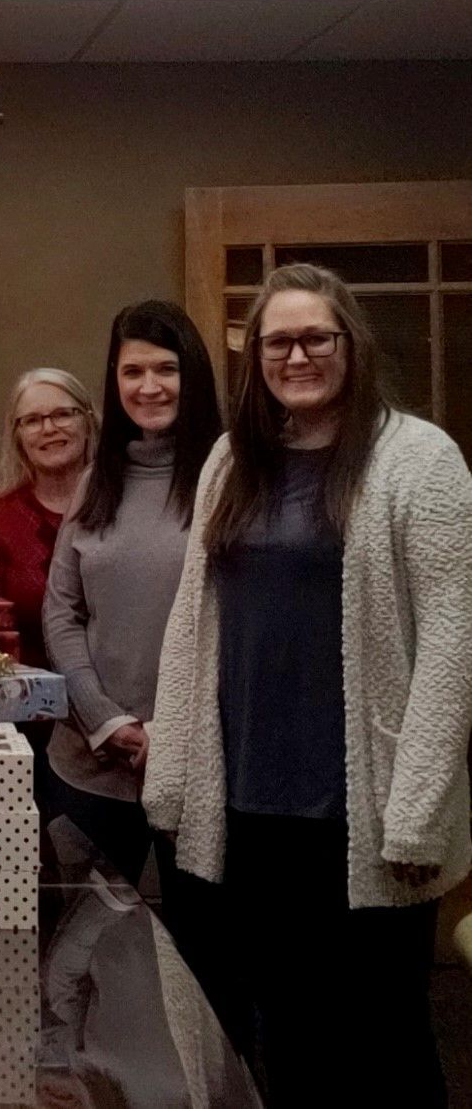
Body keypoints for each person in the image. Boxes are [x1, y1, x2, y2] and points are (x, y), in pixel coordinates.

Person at [143, 263, 471, 1107]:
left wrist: (419, 807)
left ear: (349, 344)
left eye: (314, 337)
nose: (296, 356)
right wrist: (173, 776)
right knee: (282, 1033)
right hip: (250, 801)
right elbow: (192, 623)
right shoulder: (230, 459)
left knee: (384, 1041)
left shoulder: (417, 458)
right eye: (277, 342)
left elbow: (451, 639)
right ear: (255, 358)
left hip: (362, 809)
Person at [42, 301, 222, 887]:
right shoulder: (97, 480)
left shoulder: (231, 477)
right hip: (91, 767)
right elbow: (61, 611)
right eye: (132, 372)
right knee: (89, 960)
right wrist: (103, 718)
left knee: (200, 961)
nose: (149, 387)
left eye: (165, 370)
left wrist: (168, 733)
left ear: (191, 374)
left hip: (200, 769)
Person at [0, 368, 99, 669]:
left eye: (63, 414)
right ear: (17, 436)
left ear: (88, 422)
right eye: (32, 420)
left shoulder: (126, 506)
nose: (49, 428)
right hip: (30, 702)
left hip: (126, 701)